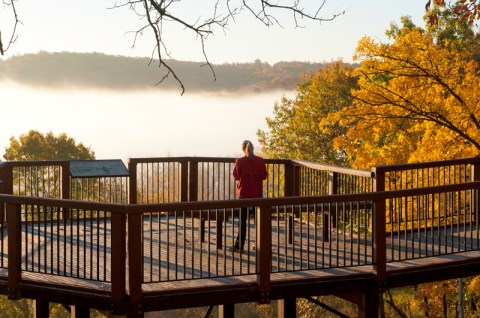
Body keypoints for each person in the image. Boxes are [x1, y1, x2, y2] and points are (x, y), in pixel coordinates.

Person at [232, 140, 268, 251]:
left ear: (243, 149)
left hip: (244, 195)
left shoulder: (240, 161)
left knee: (242, 221)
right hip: (257, 194)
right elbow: (264, 176)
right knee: (258, 221)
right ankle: (261, 245)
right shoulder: (260, 161)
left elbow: (236, 176)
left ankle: (239, 245)